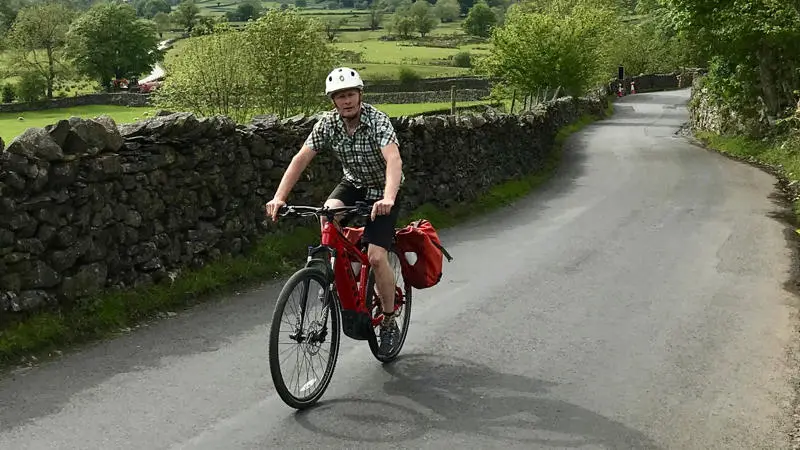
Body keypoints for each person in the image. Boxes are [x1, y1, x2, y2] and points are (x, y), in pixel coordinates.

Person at [265, 67, 404, 356]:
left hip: (382, 191)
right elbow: (301, 158)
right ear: (333, 101)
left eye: (351, 94)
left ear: (360, 95)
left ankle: (389, 322)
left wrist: (388, 198)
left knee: (377, 257)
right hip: (353, 183)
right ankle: (333, 272)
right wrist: (279, 197)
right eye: (340, 97)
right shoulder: (328, 124)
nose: (346, 101)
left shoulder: (377, 121)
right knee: (326, 214)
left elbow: (393, 160)